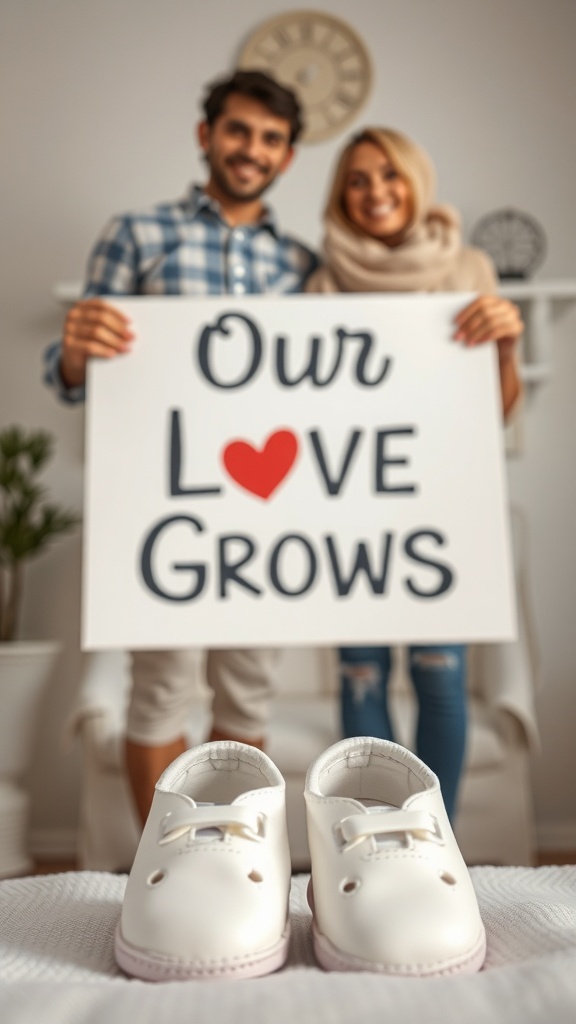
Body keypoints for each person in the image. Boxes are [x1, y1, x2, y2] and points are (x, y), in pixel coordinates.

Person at [44, 69, 317, 825]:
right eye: (238, 130)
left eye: (270, 138)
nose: (252, 149)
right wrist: (77, 351)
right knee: (160, 688)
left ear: (288, 156)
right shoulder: (135, 235)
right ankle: (164, 860)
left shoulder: (301, 264)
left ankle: (230, 852)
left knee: (248, 691)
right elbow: (76, 377)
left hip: (266, 509)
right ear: (207, 134)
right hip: (161, 500)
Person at [306, 126, 523, 821]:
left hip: (440, 506)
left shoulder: (468, 270)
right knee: (361, 677)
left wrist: (506, 347)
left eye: (389, 174)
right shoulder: (323, 283)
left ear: (415, 180)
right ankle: (374, 838)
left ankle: (434, 841)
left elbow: (498, 410)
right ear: (341, 194)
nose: (376, 191)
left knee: (440, 677)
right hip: (350, 508)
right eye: (358, 179)